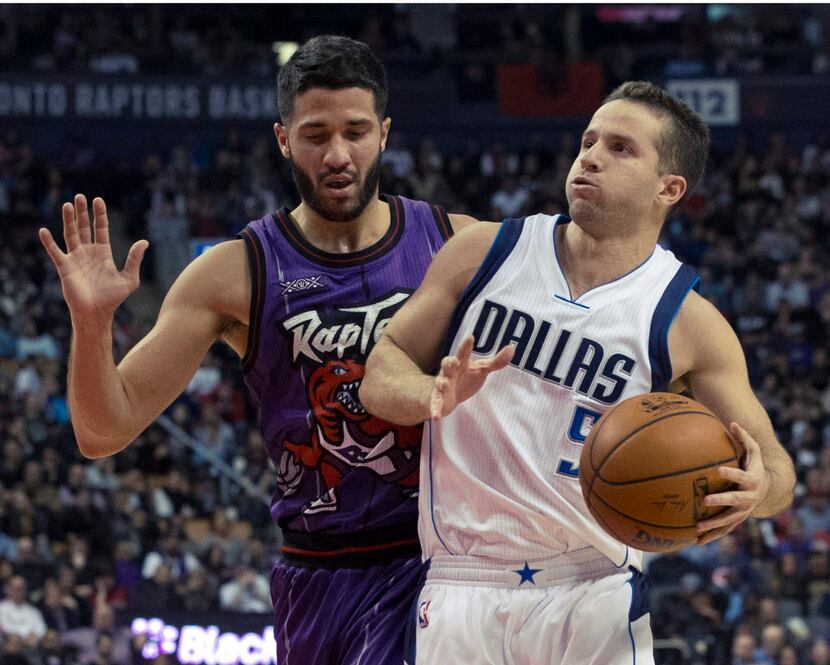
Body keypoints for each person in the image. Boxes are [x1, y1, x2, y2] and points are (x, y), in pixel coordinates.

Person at [39, 35, 477, 665]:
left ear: (384, 132)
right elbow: (102, 432)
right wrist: (90, 322)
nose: (337, 154)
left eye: (355, 131)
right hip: (319, 573)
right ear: (282, 139)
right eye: (315, 134)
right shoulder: (234, 271)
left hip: (441, 562)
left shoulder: (454, 244)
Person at [360, 81, 796, 664]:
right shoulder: (484, 253)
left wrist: (755, 491)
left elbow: (775, 468)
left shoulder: (688, 322)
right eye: (588, 140)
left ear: (669, 188)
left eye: (621, 148)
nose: (590, 155)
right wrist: (428, 393)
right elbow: (378, 374)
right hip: (463, 581)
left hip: (596, 588)